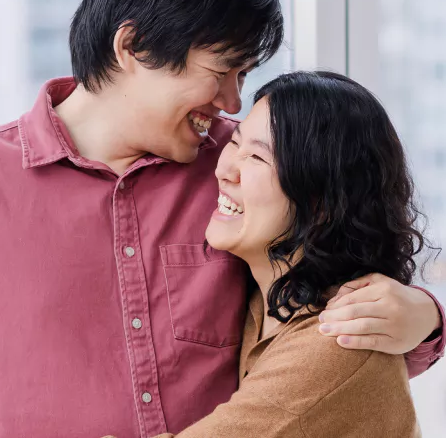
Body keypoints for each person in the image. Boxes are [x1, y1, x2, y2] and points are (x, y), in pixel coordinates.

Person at [0, 0, 444, 437]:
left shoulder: (248, 172)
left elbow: (323, 332)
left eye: (245, 74)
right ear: (131, 47)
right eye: (221, 70)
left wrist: (426, 317)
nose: (232, 101)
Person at [111, 71, 427, 437]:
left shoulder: (336, 342)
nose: (224, 170)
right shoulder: (266, 306)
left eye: (258, 159)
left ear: (321, 203)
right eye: (234, 143)